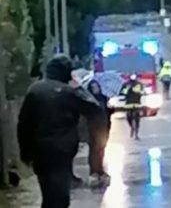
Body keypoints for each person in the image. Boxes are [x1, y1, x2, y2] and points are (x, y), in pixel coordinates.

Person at [17, 55, 101, 208]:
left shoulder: (34, 90)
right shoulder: (68, 92)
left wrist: (25, 153)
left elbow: (23, 125)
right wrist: (79, 87)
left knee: (48, 194)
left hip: (39, 152)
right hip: (62, 151)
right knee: (61, 197)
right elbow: (94, 108)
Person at [86, 79, 111, 187]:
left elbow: (108, 112)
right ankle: (94, 171)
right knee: (94, 150)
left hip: (104, 126)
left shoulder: (104, 98)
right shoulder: (87, 99)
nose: (95, 89)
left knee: (101, 150)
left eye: (97, 86)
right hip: (92, 127)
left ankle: (100, 170)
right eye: (93, 87)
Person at [119, 74, 145, 140]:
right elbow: (122, 92)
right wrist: (127, 89)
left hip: (137, 103)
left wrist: (134, 90)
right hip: (129, 104)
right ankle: (132, 127)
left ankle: (136, 134)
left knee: (137, 119)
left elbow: (142, 92)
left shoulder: (139, 84)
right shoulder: (126, 84)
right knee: (128, 117)